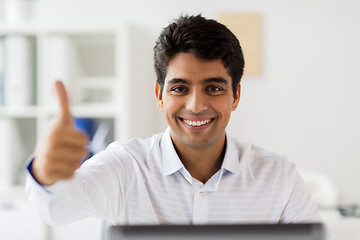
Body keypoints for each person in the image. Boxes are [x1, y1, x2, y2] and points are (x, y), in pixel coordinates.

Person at [25, 14, 321, 225]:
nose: (195, 105)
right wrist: (46, 174)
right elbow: (57, 209)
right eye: (180, 88)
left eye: (214, 88)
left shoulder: (279, 177)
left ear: (235, 96)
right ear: (160, 95)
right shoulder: (127, 165)